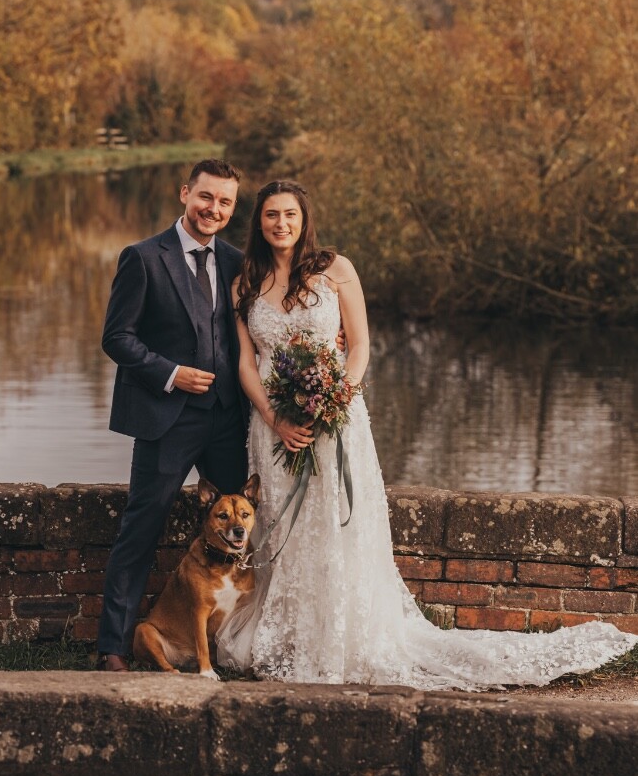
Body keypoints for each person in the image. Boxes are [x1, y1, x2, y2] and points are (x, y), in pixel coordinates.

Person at [216, 179, 638, 689]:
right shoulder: (245, 282)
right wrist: (275, 418)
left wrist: (333, 402)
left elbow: (361, 347)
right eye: (270, 216)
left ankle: (342, 637)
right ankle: (289, 639)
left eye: (290, 214)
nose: (280, 224)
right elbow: (245, 363)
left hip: (335, 425)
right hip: (272, 430)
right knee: (284, 534)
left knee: (334, 531)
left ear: (304, 220)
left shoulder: (336, 270)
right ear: (258, 223)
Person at [96, 159, 248, 672]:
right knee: (141, 529)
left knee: (245, 531)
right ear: (186, 193)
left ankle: (239, 646)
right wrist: (171, 373)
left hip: (228, 419)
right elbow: (116, 338)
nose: (214, 209)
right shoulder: (141, 258)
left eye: (225, 202)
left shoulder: (236, 262)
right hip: (166, 418)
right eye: (206, 197)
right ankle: (114, 647)